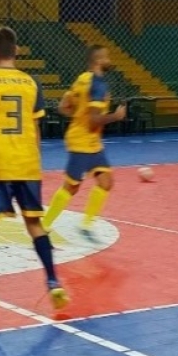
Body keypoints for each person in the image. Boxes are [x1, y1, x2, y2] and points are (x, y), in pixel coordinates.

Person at [0, 27, 68, 321]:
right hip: (27, 164)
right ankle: (53, 281)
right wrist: (35, 166)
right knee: (34, 223)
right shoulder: (31, 83)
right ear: (17, 51)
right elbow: (35, 131)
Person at [42, 45, 126, 241]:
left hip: (89, 141)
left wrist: (78, 118)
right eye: (106, 57)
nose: (110, 60)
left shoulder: (81, 79)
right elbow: (94, 120)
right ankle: (43, 226)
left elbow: (64, 107)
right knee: (71, 187)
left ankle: (86, 224)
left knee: (106, 182)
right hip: (83, 143)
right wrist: (116, 116)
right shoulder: (98, 85)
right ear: (98, 61)